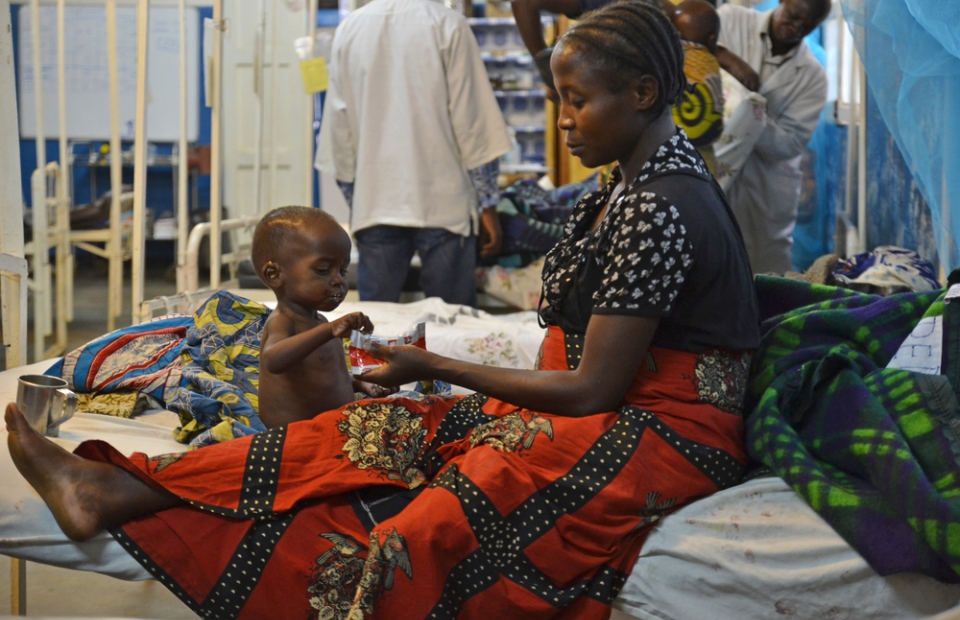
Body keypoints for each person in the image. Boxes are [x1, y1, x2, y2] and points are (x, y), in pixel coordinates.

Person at [7, 4, 760, 618]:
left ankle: (140, 502)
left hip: (661, 436)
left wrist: (430, 362)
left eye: (576, 101)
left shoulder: (663, 204)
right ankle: (117, 486)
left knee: (426, 523)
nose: (564, 121)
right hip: (606, 407)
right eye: (560, 99)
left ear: (642, 95)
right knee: (379, 424)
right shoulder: (630, 183)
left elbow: (595, 389)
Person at [316, 0, 512, 307]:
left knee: (375, 327)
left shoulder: (350, 29)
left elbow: (339, 131)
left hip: (376, 201)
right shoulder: (448, 25)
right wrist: (488, 205)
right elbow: (472, 121)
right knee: (452, 322)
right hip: (444, 204)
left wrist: (358, 202)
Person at [713, 0, 831, 274]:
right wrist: (728, 59)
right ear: (781, 2)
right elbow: (691, 51)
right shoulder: (731, 21)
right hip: (712, 159)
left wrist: (750, 112)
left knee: (763, 274)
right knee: (708, 262)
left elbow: (790, 144)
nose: (795, 29)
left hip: (765, 185)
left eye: (806, 26)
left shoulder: (814, 77)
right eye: (792, 17)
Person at [252, 207, 392, 428]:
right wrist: (330, 330)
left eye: (342, 271)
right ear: (275, 275)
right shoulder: (283, 321)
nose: (339, 281)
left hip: (333, 426)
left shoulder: (319, 323)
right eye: (323, 270)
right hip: (296, 437)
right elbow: (272, 360)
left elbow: (323, 376)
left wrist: (360, 383)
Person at [668, 0, 725, 175]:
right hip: (700, 149)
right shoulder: (709, 62)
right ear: (712, 38)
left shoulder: (666, 56)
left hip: (663, 142)